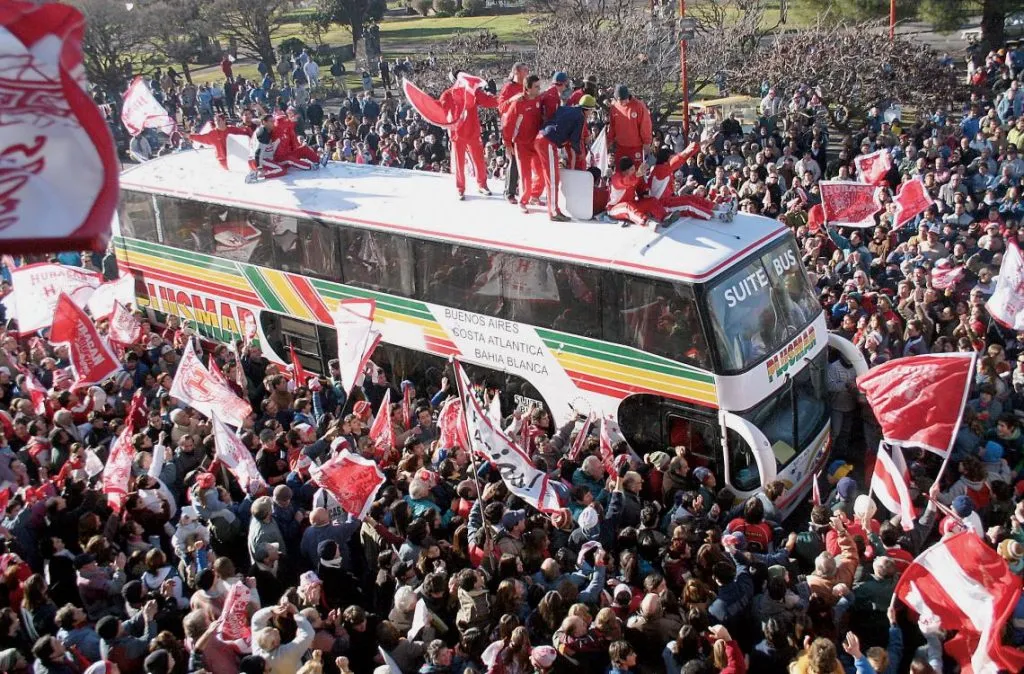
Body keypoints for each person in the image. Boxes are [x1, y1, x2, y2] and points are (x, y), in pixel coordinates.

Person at [534, 95, 597, 221]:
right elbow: (574, 141)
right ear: (588, 109)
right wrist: (580, 154)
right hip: (548, 142)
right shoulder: (580, 117)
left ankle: (554, 208)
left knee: (552, 177)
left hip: (541, 137)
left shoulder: (569, 109)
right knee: (552, 179)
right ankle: (553, 212)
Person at [439, 69, 499, 200]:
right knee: (459, 163)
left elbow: (488, 101)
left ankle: (482, 185)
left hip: (473, 132)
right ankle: (460, 188)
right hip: (457, 134)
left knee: (479, 160)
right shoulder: (448, 95)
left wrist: (503, 99)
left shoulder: (473, 92)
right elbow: (440, 110)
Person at [501, 75, 544, 213]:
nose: (539, 89)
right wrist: (507, 143)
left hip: (535, 143)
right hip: (521, 144)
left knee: (541, 173)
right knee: (525, 175)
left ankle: (534, 196)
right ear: (528, 88)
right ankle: (523, 201)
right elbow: (508, 124)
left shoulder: (539, 99)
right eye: (536, 87)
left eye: (539, 86)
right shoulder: (518, 103)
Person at [647, 143, 717, 219]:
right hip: (661, 205)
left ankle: (714, 206)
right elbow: (679, 159)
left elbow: (681, 159)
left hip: (669, 199)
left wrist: (697, 145)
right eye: (672, 157)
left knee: (690, 198)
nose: (674, 157)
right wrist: (693, 146)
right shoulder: (660, 170)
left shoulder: (664, 168)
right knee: (688, 205)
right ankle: (713, 215)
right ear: (667, 159)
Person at [607, 156, 670, 228]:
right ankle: (645, 221)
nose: (634, 171)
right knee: (627, 206)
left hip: (632, 205)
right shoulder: (616, 178)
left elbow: (641, 186)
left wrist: (644, 193)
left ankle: (665, 217)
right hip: (614, 209)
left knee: (651, 200)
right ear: (625, 171)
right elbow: (625, 182)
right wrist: (637, 175)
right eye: (632, 169)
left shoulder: (635, 177)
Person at [498, 63, 530, 204]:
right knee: (513, 160)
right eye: (525, 69)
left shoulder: (526, 87)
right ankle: (509, 192)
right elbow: (500, 107)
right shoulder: (508, 87)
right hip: (511, 130)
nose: (527, 71)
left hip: (524, 129)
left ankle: (521, 189)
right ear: (517, 71)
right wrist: (512, 99)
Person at [607, 85, 653, 169]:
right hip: (621, 146)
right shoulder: (614, 107)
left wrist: (646, 142)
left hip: (635, 147)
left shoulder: (638, 106)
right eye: (619, 100)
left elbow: (645, 125)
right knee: (620, 171)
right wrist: (609, 140)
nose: (621, 103)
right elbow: (612, 126)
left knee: (636, 172)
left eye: (623, 100)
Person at [247, 114, 287, 182]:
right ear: (264, 122)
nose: (273, 123)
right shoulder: (263, 133)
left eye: (273, 121)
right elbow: (258, 152)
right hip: (258, 160)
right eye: (271, 121)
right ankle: (257, 175)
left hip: (258, 159)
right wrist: (260, 168)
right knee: (282, 170)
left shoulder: (264, 129)